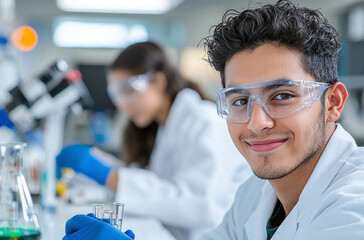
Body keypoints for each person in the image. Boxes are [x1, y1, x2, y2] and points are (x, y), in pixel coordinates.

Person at [63, 1, 364, 239]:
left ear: (333, 102)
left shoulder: (362, 210)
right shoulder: (258, 193)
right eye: (240, 100)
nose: (257, 122)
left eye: (282, 96)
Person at [57, 41, 251, 240]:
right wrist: (101, 165)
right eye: (117, 95)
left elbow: (200, 204)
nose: (123, 105)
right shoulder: (164, 126)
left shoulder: (204, 120)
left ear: (159, 82)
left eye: (129, 91)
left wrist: (109, 175)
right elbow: (154, 182)